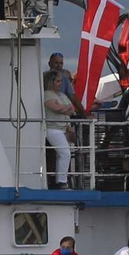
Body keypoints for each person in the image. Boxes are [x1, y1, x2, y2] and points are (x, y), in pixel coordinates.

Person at [42, 56, 76, 188]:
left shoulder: (62, 95)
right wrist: (64, 109)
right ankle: (62, 181)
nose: (60, 84)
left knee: (61, 155)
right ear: (51, 82)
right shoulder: (47, 94)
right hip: (53, 128)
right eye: (57, 81)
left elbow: (71, 110)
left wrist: (64, 109)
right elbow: (55, 108)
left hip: (64, 128)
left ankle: (59, 180)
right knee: (64, 153)